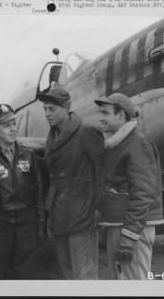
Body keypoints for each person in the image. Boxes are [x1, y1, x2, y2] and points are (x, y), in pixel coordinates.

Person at [94, 93, 164, 280]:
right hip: (119, 224)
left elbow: (144, 193)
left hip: (133, 228)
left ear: (121, 115)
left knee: (135, 284)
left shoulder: (138, 143)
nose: (100, 117)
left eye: (105, 113)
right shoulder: (120, 143)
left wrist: (130, 236)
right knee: (122, 282)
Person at [37, 87, 104, 279]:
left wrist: (98, 210)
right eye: (45, 109)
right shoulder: (52, 138)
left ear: (66, 107)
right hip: (59, 213)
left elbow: (102, 172)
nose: (47, 114)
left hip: (83, 215)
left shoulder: (87, 132)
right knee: (66, 272)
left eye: (52, 109)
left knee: (85, 274)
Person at [0, 104, 45, 279]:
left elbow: (39, 194)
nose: (13, 129)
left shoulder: (29, 155)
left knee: (26, 278)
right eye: (7, 125)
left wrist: (41, 225)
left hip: (26, 225)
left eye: (14, 123)